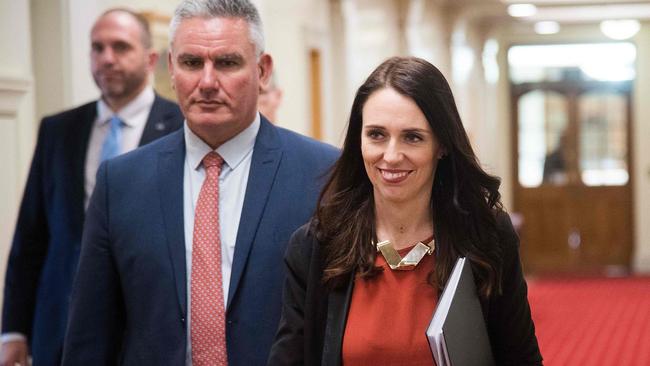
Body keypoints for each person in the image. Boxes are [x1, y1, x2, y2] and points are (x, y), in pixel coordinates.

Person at [62, 0, 338, 365]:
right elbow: (90, 336)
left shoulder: (322, 173)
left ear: (262, 70)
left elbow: (338, 328)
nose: (207, 82)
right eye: (192, 63)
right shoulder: (121, 182)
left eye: (227, 62)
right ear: (172, 68)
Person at [268, 57, 543, 365]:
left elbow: (521, 358)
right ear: (358, 140)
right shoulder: (317, 246)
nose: (391, 155)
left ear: (442, 145)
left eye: (412, 137)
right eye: (376, 134)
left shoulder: (486, 237)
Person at [0, 8, 183, 366]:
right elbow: (31, 236)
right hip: (60, 328)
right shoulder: (58, 129)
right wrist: (13, 330)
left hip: (147, 326)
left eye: (120, 47)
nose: (107, 59)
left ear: (150, 59)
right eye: (97, 48)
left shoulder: (181, 126)